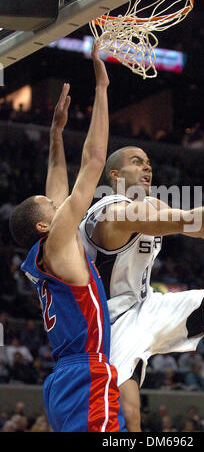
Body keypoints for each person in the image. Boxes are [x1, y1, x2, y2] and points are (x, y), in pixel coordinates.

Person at [47, 123, 204, 428]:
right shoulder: (111, 212)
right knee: (131, 411)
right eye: (136, 161)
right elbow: (187, 219)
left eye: (148, 162)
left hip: (146, 304)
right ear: (115, 176)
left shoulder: (151, 204)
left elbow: (203, 230)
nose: (147, 166)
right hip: (109, 322)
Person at [9, 40, 125, 432]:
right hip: (85, 378)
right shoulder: (58, 240)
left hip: (66, 380)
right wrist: (102, 88)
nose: (54, 201)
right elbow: (94, 162)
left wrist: (56, 133)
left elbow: (56, 185)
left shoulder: (52, 249)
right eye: (48, 204)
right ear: (45, 224)